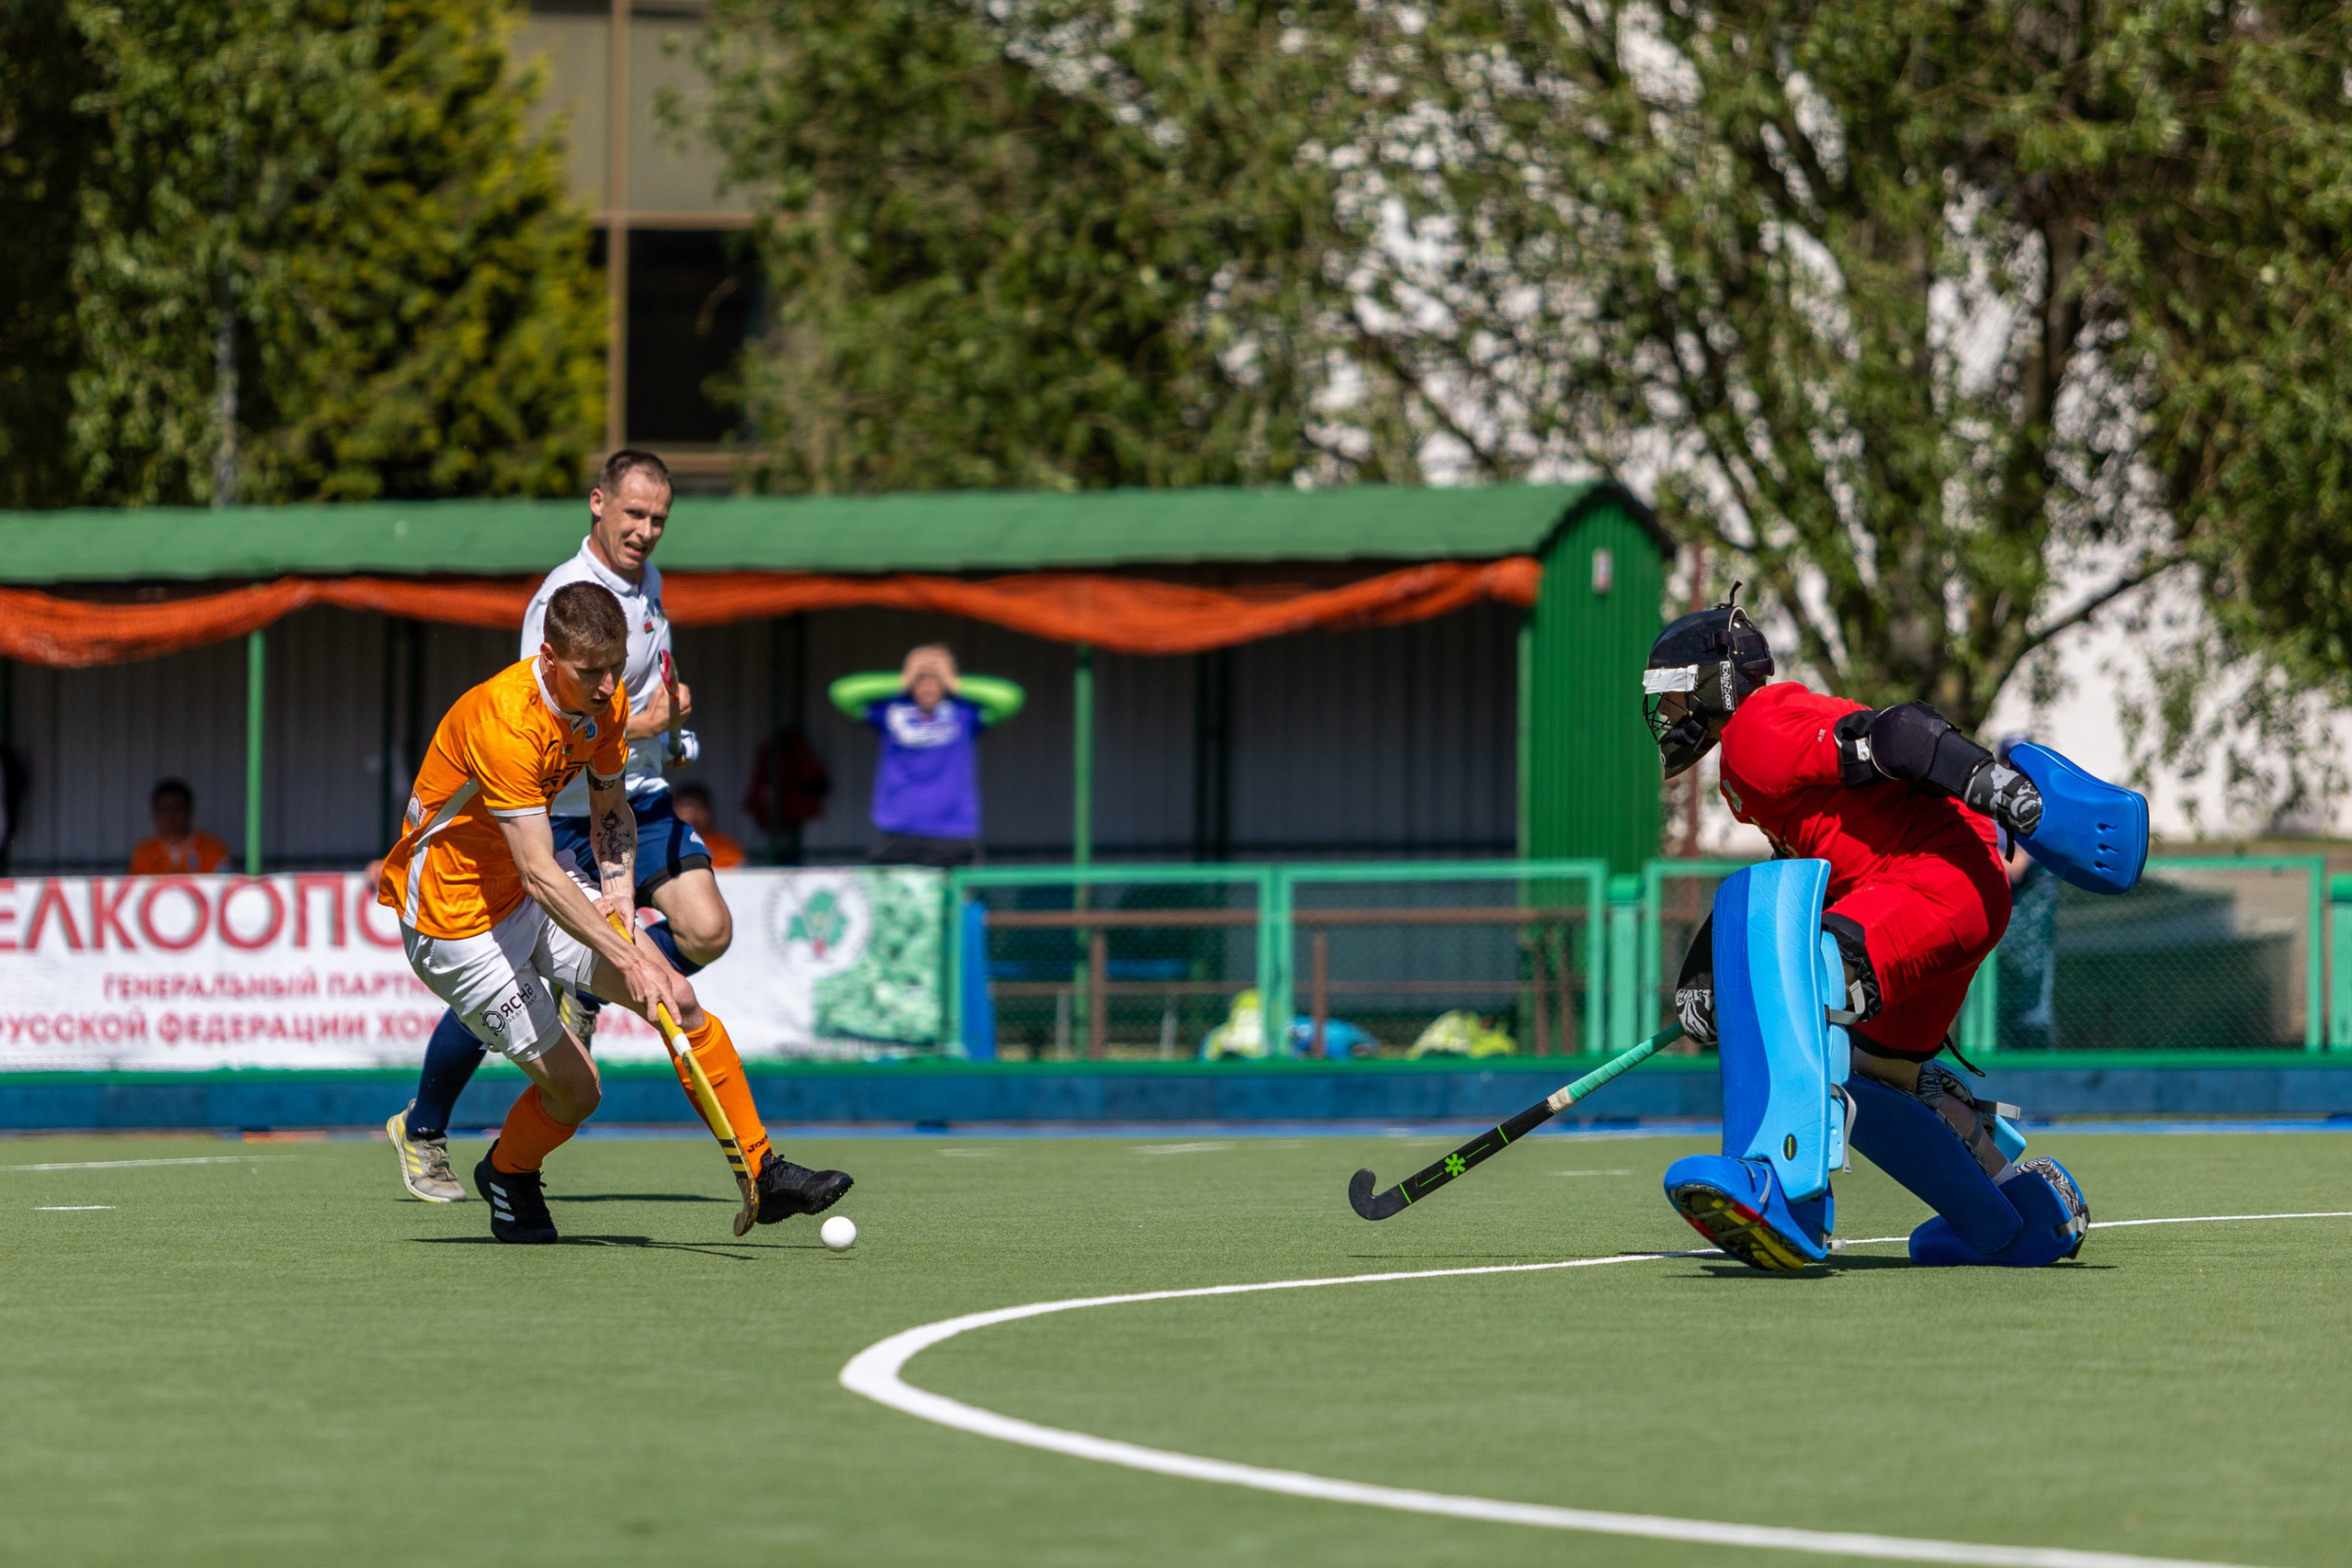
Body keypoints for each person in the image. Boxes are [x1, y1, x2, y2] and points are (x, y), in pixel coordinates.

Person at [381, 451, 807, 1213]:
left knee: (675, 989)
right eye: (634, 513)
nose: (610, 689)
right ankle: (482, 1158)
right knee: (580, 1088)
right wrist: (622, 951)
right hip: (456, 915)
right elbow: (542, 870)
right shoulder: (513, 711)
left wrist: (618, 903)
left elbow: (612, 804)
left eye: (658, 518)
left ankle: (763, 1171)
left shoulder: (609, 673)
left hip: (542, 869)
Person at [1643, 589, 2095, 1271]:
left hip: (1930, 881)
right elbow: (1793, 870)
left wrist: (1988, 780)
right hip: (1958, 889)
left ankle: (1782, 1192)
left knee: (1804, 978)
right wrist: (1706, 972)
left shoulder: (1754, 729)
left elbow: (1899, 734)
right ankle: (2012, 1214)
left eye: (1674, 696)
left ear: (1712, 683)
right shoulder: (1753, 763)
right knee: (1878, 1078)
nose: (1669, 714)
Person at [829, 645, 1023, 867]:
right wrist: (903, 681)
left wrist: (953, 682)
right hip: (897, 830)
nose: (928, 685)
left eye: (936, 678)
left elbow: (1011, 698)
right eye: (921, 677)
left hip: (953, 833)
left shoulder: (964, 712)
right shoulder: (891, 710)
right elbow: (842, 693)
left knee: (956, 890)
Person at [130, 778, 232, 874]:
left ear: (189, 810)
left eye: (176, 807)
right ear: (154, 813)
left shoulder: (214, 849)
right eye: (164, 809)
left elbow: (224, 884)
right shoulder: (143, 853)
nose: (170, 814)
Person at [668, 782, 744, 869]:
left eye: (698, 809)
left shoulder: (726, 847)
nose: (692, 816)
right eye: (685, 810)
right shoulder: (663, 845)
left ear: (709, 812)